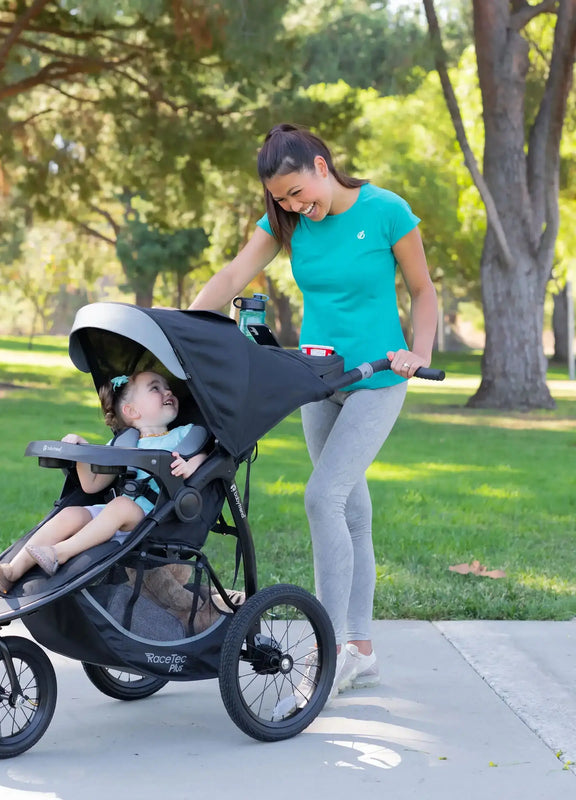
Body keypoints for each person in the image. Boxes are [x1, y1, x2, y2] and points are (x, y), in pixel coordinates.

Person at [189, 123, 437, 698]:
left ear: (322, 166)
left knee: (321, 496)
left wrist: (417, 354)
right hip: (318, 377)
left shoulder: (386, 211)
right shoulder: (287, 222)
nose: (295, 206)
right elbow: (232, 275)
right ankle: (362, 651)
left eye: (299, 192)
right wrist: (180, 329)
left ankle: (328, 651)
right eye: (281, 199)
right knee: (351, 512)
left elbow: (423, 290)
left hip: (377, 378)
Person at [0, 371, 208, 593]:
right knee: (71, 514)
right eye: (155, 388)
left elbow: (202, 455)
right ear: (132, 411)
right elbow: (92, 485)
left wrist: (191, 465)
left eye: (166, 386)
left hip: (155, 517)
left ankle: (60, 552)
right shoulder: (123, 442)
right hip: (116, 517)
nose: (168, 391)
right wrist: (81, 453)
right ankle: (11, 570)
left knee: (122, 505)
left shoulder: (183, 434)